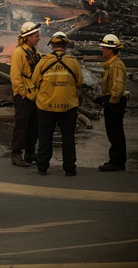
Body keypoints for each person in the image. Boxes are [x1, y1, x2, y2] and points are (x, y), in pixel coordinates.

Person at [31, 31, 83, 176]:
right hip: (68, 106)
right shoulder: (73, 62)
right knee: (68, 137)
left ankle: (42, 167)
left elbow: (35, 81)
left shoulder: (44, 61)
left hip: (46, 107)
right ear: (65, 46)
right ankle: (69, 168)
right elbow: (79, 82)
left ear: (52, 46)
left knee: (45, 137)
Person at [9, 21, 42, 167]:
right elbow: (15, 77)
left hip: (34, 94)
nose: (38, 38)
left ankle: (30, 152)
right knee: (21, 126)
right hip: (24, 96)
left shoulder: (34, 52)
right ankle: (16, 154)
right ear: (28, 37)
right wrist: (22, 93)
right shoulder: (19, 53)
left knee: (33, 125)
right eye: (36, 36)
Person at [97, 33, 129, 172]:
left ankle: (117, 162)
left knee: (115, 133)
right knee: (114, 133)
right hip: (112, 101)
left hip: (114, 103)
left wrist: (111, 103)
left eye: (104, 48)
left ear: (110, 50)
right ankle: (116, 160)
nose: (102, 50)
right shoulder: (112, 64)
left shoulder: (116, 66)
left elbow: (117, 86)